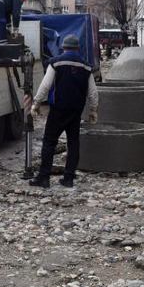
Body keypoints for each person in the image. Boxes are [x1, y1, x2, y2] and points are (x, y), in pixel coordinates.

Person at [24, 34, 98, 189]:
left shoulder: (55, 63)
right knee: (73, 143)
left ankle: (44, 178)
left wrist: (36, 104)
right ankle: (69, 178)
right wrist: (93, 110)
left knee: (49, 142)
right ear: (77, 48)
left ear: (63, 47)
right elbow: (93, 92)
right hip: (75, 110)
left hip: (58, 109)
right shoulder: (86, 66)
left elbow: (45, 86)